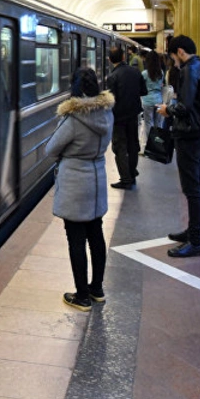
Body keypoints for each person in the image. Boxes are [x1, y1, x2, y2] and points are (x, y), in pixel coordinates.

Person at [45, 67, 113, 312]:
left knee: (76, 239)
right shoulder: (107, 113)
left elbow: (51, 149)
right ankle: (97, 289)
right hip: (97, 179)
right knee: (96, 234)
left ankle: (82, 296)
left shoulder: (73, 119)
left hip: (75, 183)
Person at [157, 35, 200, 257]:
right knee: (199, 185)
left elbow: (183, 107)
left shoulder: (187, 71)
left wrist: (168, 110)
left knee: (192, 189)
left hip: (188, 136)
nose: (174, 63)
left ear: (180, 52)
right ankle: (193, 232)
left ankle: (195, 241)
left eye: (174, 58)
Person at [106, 45, 146, 189]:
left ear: (110, 60)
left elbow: (110, 99)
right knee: (133, 144)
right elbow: (144, 91)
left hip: (118, 118)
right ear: (124, 57)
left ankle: (126, 179)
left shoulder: (112, 77)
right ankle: (132, 173)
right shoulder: (135, 72)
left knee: (120, 147)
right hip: (133, 115)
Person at [140, 49, 166, 133]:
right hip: (158, 100)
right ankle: (157, 143)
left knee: (148, 124)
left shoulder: (144, 73)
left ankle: (150, 143)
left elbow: (141, 86)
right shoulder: (161, 73)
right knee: (158, 123)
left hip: (147, 101)